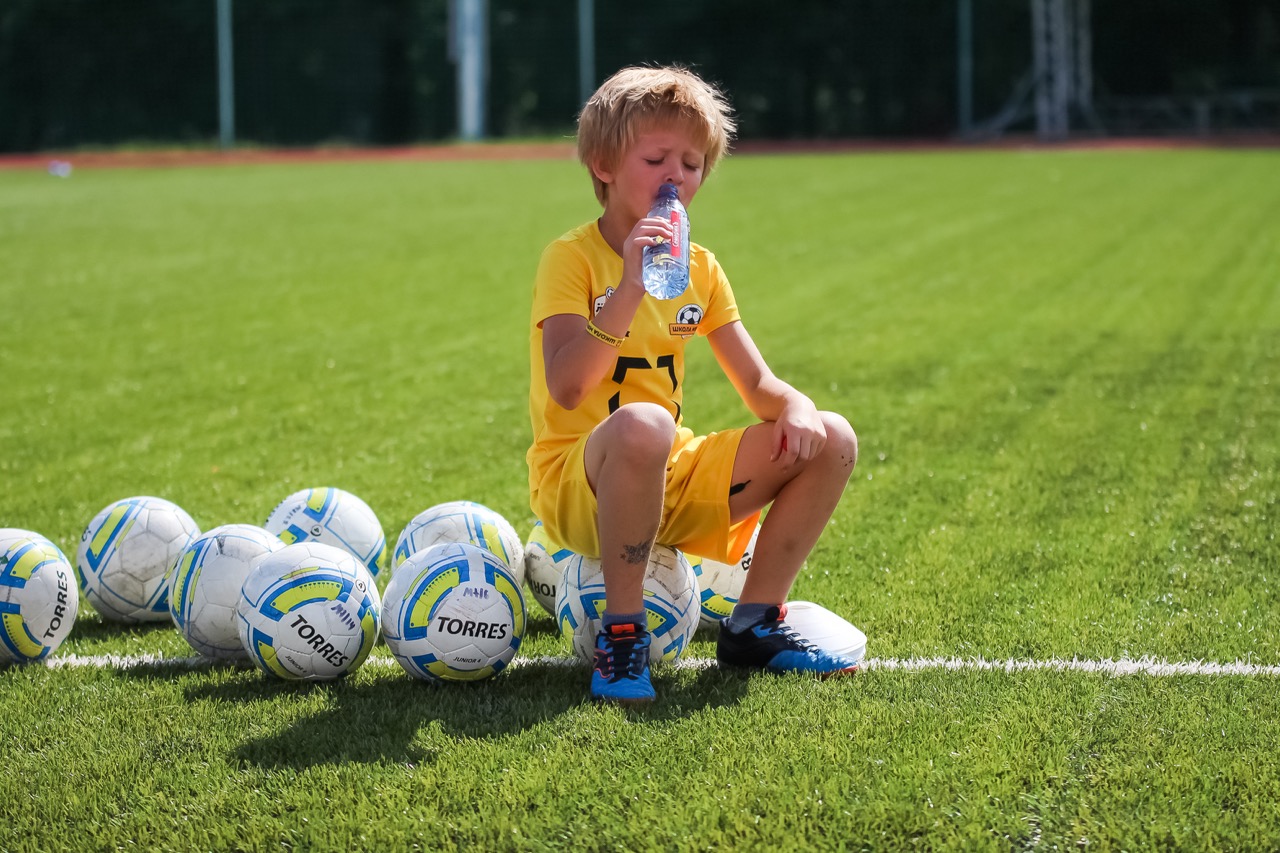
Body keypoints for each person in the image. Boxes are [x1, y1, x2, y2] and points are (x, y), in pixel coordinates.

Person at [527, 65, 860, 704]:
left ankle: (755, 622)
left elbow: (757, 382)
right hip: (577, 483)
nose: (676, 175)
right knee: (645, 425)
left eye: (693, 162)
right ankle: (623, 640)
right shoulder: (570, 258)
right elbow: (568, 387)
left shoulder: (700, 269)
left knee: (832, 438)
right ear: (603, 165)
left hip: (667, 472)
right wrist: (628, 285)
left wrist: (794, 406)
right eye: (656, 158)